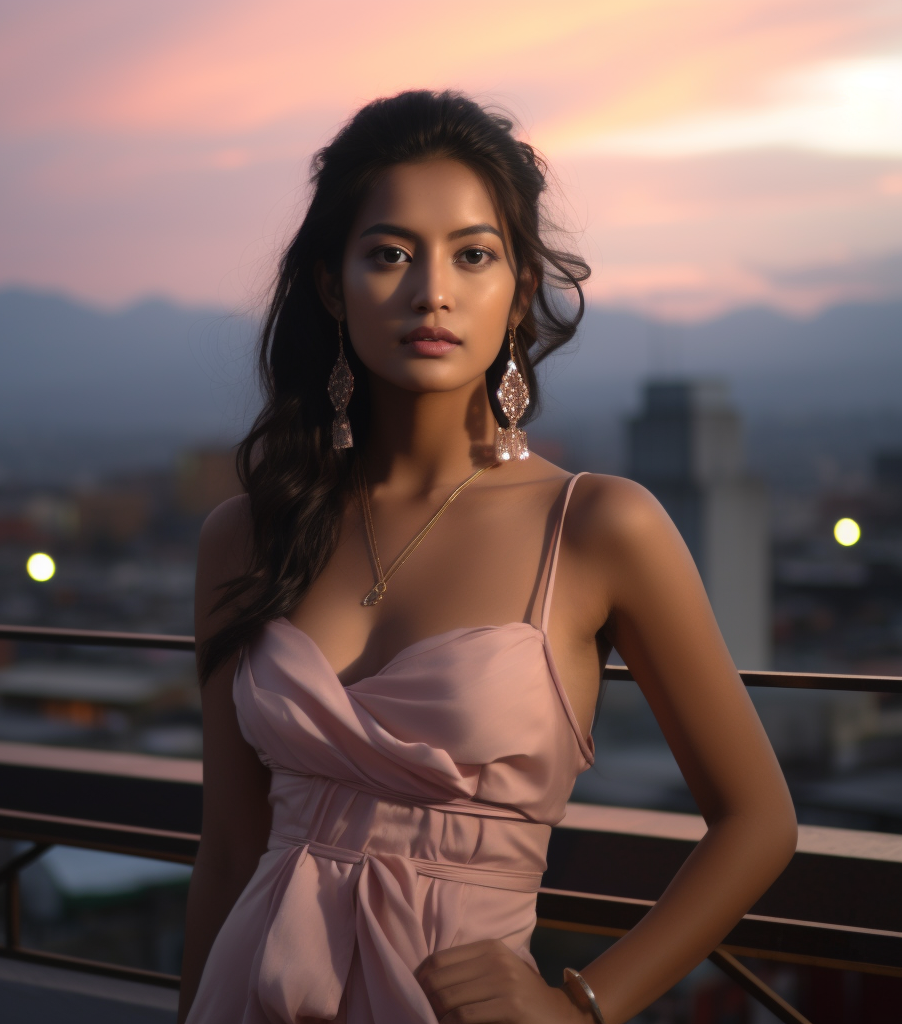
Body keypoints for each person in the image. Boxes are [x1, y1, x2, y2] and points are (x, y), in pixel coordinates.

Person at [177, 90, 797, 1024]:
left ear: (517, 290)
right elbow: (228, 848)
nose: (433, 291)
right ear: (327, 284)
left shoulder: (598, 528)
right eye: (389, 253)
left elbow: (760, 823)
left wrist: (582, 1005)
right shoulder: (243, 536)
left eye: (474, 254)